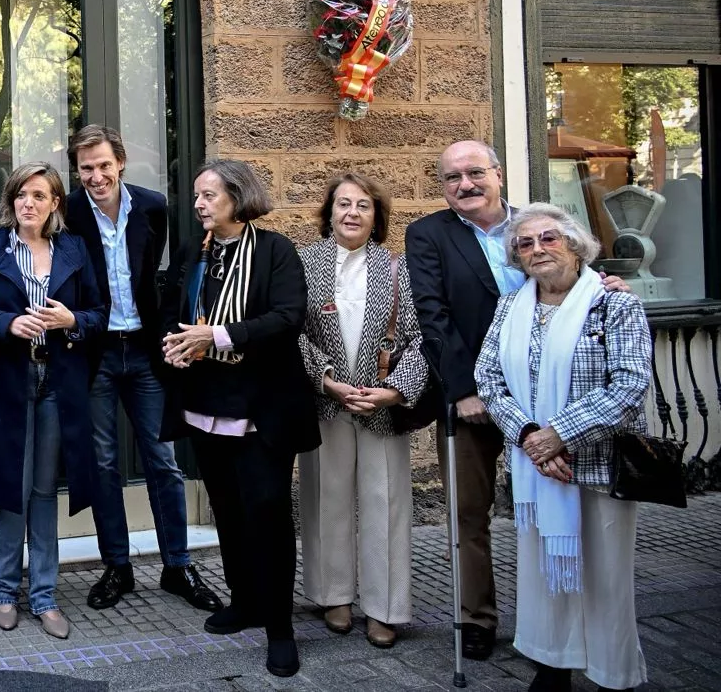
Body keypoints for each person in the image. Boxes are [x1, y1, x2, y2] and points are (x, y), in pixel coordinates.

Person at [405, 140, 625, 661]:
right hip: (475, 399)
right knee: (468, 513)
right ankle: (475, 617)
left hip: (553, 396)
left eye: (475, 173)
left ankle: (557, 616)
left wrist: (607, 286)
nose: (466, 185)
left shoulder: (538, 225)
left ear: (498, 174)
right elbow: (432, 317)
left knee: (561, 503)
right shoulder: (428, 234)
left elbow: (576, 277)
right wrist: (463, 391)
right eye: (452, 178)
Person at [474, 203, 651, 692]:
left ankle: (613, 672)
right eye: (525, 244)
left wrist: (561, 434)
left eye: (549, 238)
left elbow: (630, 383)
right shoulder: (511, 306)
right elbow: (488, 377)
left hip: (596, 464)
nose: (537, 249)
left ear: (575, 246)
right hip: (539, 467)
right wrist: (533, 438)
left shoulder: (614, 303)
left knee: (606, 576)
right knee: (543, 573)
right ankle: (553, 664)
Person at [161, 159, 318, 678]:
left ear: (237, 197)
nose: (200, 205)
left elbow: (287, 317)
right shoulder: (194, 251)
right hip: (205, 401)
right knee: (226, 509)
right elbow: (178, 311)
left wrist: (218, 337)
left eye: (209, 196)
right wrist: (179, 346)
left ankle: (280, 628)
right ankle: (244, 601)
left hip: (262, 407)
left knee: (267, 512)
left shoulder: (275, 249)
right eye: (197, 197)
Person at [64, 125, 222, 614]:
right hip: (97, 353)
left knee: (163, 461)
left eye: (104, 166)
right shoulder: (67, 212)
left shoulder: (152, 207)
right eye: (86, 168)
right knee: (105, 464)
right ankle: (117, 567)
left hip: (147, 351)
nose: (95, 176)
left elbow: (163, 274)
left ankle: (177, 565)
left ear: (121, 162)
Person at [0, 161, 106, 638]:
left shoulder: (74, 249)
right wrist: (4, 324)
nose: (29, 203)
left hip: (58, 382)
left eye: (39, 196)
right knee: (12, 488)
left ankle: (44, 595)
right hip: (9, 379)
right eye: (21, 195)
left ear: (55, 205)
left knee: (44, 491)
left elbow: (98, 312)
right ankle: (4, 590)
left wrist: (73, 321)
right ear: (11, 201)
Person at [295, 172, 426, 649]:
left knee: (386, 503)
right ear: (328, 212)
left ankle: (384, 607)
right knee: (325, 497)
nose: (352, 212)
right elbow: (294, 331)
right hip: (325, 401)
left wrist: (392, 390)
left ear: (377, 216)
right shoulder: (304, 264)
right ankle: (333, 595)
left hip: (381, 406)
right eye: (343, 204)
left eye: (363, 206)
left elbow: (418, 340)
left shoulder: (397, 269)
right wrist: (327, 380)